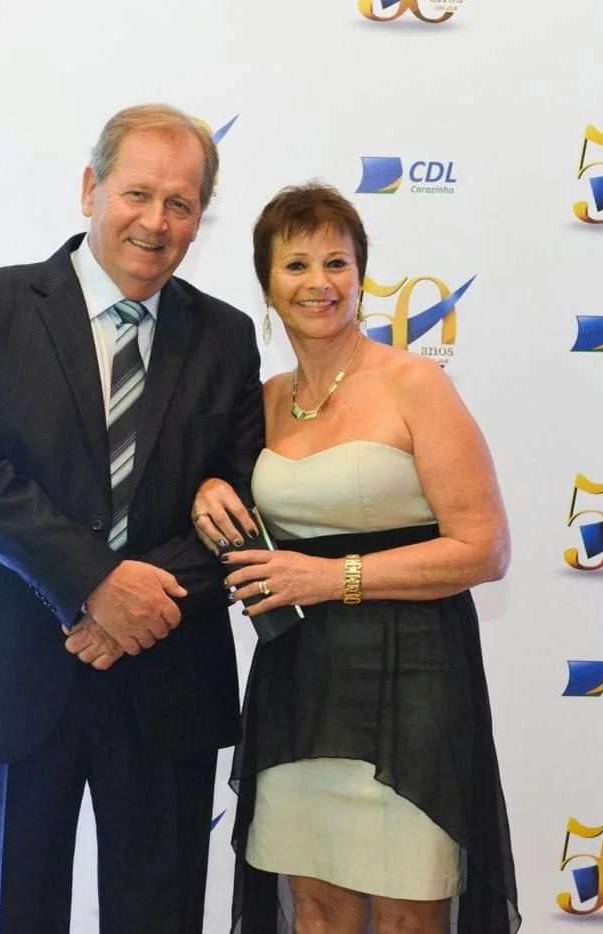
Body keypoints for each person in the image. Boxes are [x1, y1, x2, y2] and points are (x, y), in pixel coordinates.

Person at [0, 103, 265, 934]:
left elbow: (248, 501)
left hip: (166, 676)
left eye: (180, 203)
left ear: (200, 217)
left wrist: (141, 601)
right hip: (12, 667)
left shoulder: (227, 336)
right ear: (91, 188)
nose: (156, 221)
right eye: (138, 193)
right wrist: (97, 586)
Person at [191, 183, 520, 934]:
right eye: (296, 264)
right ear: (267, 285)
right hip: (298, 683)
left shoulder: (415, 383)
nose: (319, 282)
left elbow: (485, 547)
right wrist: (210, 486)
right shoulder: (264, 401)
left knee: (409, 911)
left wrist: (330, 577)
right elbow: (226, 492)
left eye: (336, 262)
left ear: (361, 276)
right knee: (317, 908)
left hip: (415, 682)